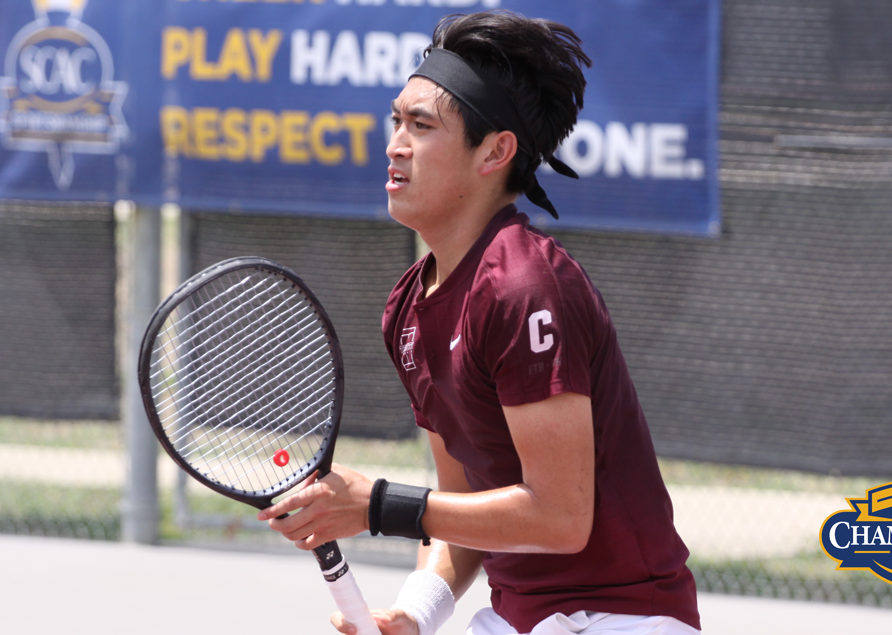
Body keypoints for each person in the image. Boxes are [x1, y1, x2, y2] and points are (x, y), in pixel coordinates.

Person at [257, 11, 701, 635]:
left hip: (623, 619)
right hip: (517, 620)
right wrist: (416, 613)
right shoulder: (409, 311)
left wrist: (377, 505)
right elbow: (461, 513)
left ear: (495, 151)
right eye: (396, 121)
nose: (394, 145)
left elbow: (561, 517)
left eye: (421, 126)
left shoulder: (525, 287)